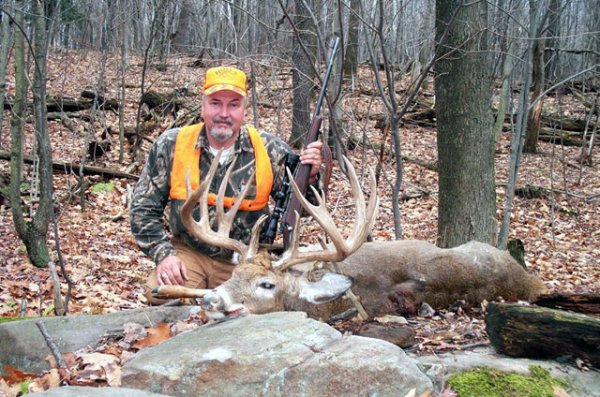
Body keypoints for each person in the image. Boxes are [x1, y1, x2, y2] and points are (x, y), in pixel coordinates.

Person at [130, 66, 324, 304]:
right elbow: (142, 211)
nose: (224, 113)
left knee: (280, 301)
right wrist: (164, 255)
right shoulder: (172, 145)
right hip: (192, 254)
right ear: (203, 106)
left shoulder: (268, 149)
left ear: (244, 110)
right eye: (215, 103)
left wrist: (311, 178)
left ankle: (216, 302)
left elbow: (303, 209)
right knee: (160, 294)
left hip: (249, 262)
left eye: (233, 104)